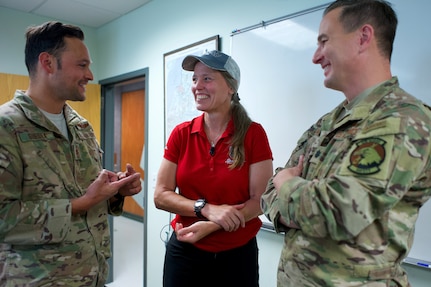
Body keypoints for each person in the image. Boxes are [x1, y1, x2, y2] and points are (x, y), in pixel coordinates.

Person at [261, 0, 431, 286]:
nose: (316, 57)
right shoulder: (328, 122)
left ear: (363, 37)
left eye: (324, 41)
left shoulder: (405, 119)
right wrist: (294, 197)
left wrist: (288, 186)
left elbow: (338, 213)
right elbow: (269, 192)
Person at [0, 21, 142, 286]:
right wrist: (82, 203)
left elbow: (86, 190)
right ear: (48, 63)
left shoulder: (80, 125)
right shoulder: (6, 126)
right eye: (82, 65)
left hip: (92, 274)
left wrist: (115, 191)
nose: (90, 75)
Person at [154, 50, 273, 287]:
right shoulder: (182, 133)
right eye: (195, 79)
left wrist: (214, 224)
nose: (198, 85)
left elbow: (260, 200)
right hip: (185, 251)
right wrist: (206, 209)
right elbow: (161, 195)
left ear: (230, 87)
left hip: (237, 255)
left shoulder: (253, 134)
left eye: (207, 78)